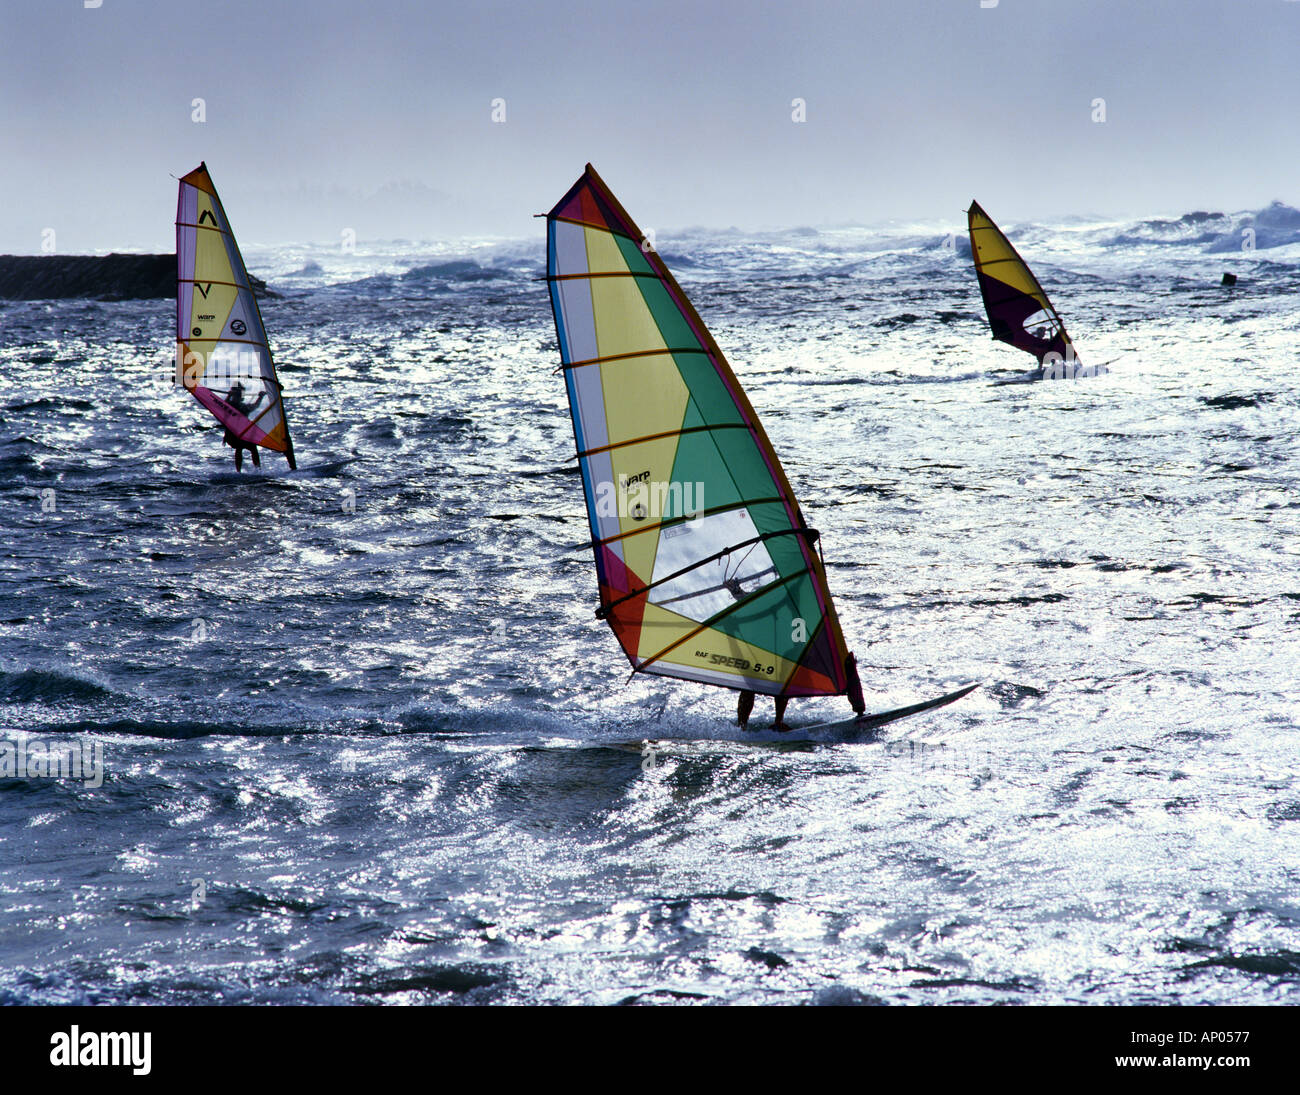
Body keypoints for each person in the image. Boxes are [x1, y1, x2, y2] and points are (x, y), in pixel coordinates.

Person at [222, 382, 264, 471]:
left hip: (243, 434)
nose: (238, 397)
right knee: (239, 447)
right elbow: (223, 406)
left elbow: (255, 406)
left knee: (253, 448)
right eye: (237, 395)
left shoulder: (243, 407)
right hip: (232, 436)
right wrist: (229, 396)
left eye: (240, 395)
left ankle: (258, 470)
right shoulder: (229, 405)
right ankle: (238, 472)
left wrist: (260, 397)